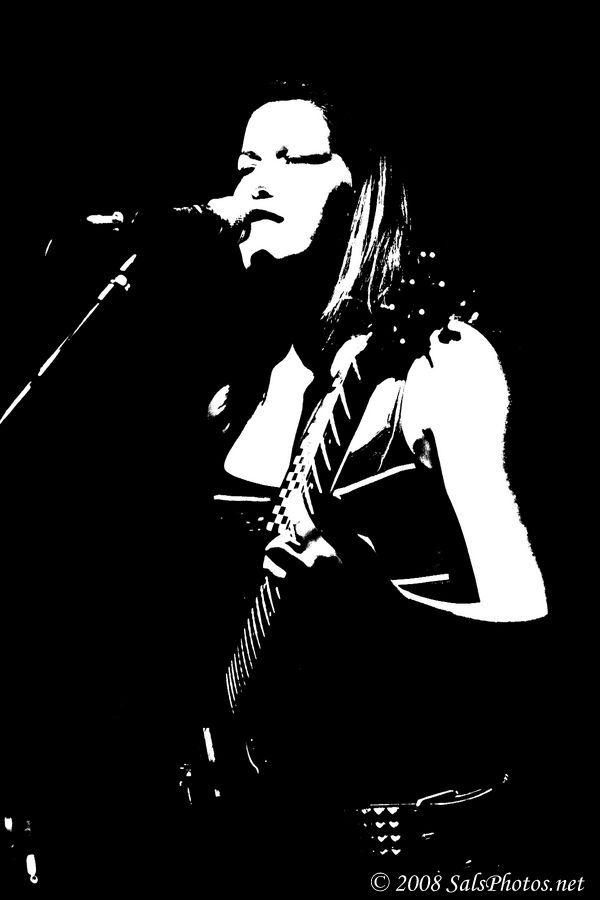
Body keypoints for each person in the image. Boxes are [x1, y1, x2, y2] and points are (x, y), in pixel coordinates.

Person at [1, 79, 548, 893]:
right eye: (245, 163)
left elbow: (531, 631)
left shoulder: (439, 362)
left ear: (363, 189)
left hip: (410, 857)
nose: (256, 182)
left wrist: (380, 610)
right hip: (262, 849)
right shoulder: (237, 396)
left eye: (291, 159)